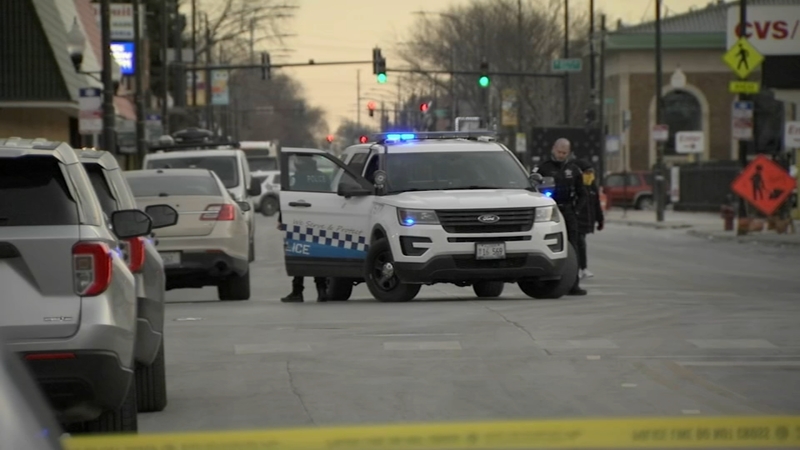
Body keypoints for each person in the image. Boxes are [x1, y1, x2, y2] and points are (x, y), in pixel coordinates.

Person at [534, 138, 588, 296]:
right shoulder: (543, 168)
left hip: (568, 210)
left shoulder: (574, 169)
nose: (561, 155)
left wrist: (576, 210)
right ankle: (547, 282)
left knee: (573, 246)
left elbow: (582, 193)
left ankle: (573, 283)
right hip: (549, 211)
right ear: (553, 149)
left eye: (565, 153)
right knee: (549, 244)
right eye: (559, 152)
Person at [279, 156, 331, 303]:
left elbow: (289, 200)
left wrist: (281, 218)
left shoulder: (297, 178)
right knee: (318, 255)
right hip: (321, 221)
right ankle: (322, 291)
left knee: (299, 252)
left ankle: (297, 292)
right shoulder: (323, 177)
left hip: (301, 220)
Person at [575, 159, 605, 279]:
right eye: (587, 173)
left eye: (591, 173)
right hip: (577, 220)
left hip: (587, 221)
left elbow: (596, 204)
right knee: (579, 243)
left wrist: (600, 219)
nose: (589, 175)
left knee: (581, 244)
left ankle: (582, 268)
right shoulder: (576, 185)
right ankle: (581, 268)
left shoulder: (592, 186)